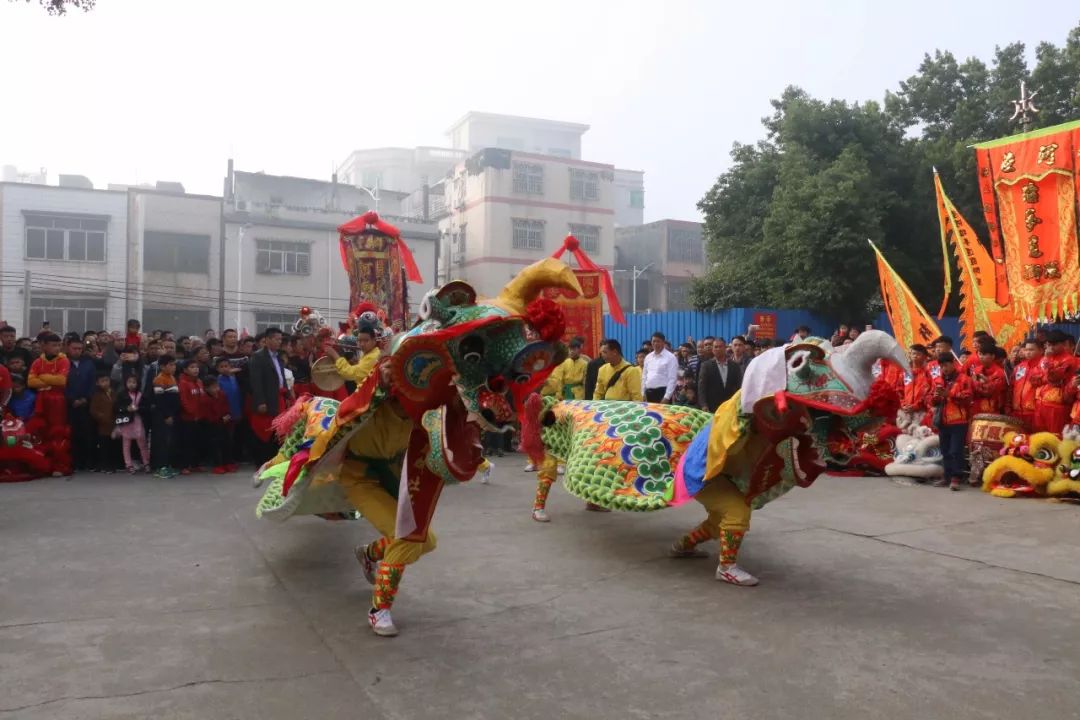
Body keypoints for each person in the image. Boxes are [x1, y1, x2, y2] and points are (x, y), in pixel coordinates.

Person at [27, 332, 71, 476]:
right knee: (42, 431)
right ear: (44, 346)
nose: (57, 348)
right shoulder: (37, 362)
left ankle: (60, 466)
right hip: (41, 399)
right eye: (53, 345)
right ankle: (44, 465)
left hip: (57, 400)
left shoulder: (64, 361)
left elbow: (61, 381)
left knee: (57, 432)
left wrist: (42, 377)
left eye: (59, 345)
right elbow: (30, 381)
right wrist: (49, 381)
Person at [929, 353, 973, 491]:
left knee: (956, 450)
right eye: (941, 366)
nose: (944, 368)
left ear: (953, 363)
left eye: (946, 365)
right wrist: (935, 397)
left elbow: (968, 399)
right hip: (943, 420)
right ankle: (947, 476)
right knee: (945, 450)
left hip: (959, 420)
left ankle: (956, 477)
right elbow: (930, 400)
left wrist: (949, 394)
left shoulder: (964, 379)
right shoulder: (938, 380)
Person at [248, 327, 289, 464]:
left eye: (280, 339)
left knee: (278, 431)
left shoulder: (278, 357)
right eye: (276, 339)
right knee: (264, 431)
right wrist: (260, 401)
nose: (279, 342)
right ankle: (261, 462)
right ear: (267, 340)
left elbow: (282, 377)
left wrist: (287, 396)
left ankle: (274, 460)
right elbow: (256, 381)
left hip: (279, 398)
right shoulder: (258, 357)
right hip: (267, 398)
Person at [1031, 330, 1074, 434]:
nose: (1050, 348)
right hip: (1040, 403)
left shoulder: (1068, 360)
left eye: (1054, 344)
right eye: (1049, 344)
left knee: (1055, 437)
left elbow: (1053, 377)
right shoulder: (1044, 359)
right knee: (1039, 436)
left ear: (1063, 344)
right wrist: (1045, 377)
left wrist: (1045, 375)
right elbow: (1033, 378)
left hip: (1056, 406)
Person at [65, 338, 97, 472]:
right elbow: (62, 384)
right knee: (72, 434)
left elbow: (93, 382)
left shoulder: (88, 363)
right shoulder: (63, 363)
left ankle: (87, 462)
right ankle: (74, 462)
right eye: (74, 348)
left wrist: (85, 399)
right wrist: (71, 400)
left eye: (79, 348)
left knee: (87, 433)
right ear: (68, 348)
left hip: (86, 404)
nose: (77, 351)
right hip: (69, 405)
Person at [150, 354, 181, 478]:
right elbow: (159, 400)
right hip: (162, 415)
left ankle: (168, 465)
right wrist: (167, 415)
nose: (173, 367)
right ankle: (159, 467)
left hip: (172, 414)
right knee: (161, 441)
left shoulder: (172, 377)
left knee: (170, 442)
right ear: (162, 366)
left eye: (174, 364)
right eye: (171, 365)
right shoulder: (159, 379)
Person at [113, 374, 149, 474]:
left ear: (138, 384)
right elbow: (116, 407)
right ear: (125, 383)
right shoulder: (121, 394)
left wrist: (139, 409)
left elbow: (146, 408)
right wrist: (126, 409)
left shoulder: (141, 395)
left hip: (137, 420)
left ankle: (146, 462)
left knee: (142, 443)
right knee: (126, 444)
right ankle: (128, 464)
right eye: (129, 382)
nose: (131, 385)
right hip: (126, 421)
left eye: (134, 382)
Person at [697, 336, 742, 413]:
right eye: (715, 347)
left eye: (720, 347)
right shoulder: (706, 366)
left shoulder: (734, 366)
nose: (718, 349)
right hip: (712, 407)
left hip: (729, 406)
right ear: (713, 349)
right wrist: (704, 405)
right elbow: (702, 387)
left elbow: (739, 387)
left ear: (725, 348)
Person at [178, 359, 206, 475]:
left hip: (199, 418)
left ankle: (195, 464)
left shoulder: (199, 382)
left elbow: (203, 399)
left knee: (198, 442)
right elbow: (184, 401)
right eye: (192, 367)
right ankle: (184, 465)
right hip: (187, 419)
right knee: (187, 443)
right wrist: (191, 413)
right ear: (185, 370)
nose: (195, 369)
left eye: (196, 367)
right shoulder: (183, 383)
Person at [898, 344, 932, 428]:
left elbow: (929, 393)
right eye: (913, 353)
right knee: (905, 436)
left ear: (925, 357)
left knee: (920, 437)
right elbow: (899, 390)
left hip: (921, 412)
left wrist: (916, 406)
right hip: (905, 412)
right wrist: (903, 404)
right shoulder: (904, 373)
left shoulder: (928, 373)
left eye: (918, 354)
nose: (915, 356)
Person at [89, 374, 117, 474]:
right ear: (97, 383)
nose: (105, 383)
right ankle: (104, 465)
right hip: (103, 425)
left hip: (114, 424)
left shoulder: (114, 393)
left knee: (113, 446)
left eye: (106, 380)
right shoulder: (96, 395)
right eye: (102, 381)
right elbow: (93, 410)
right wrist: (102, 417)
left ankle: (112, 465)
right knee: (104, 447)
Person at [1012, 339, 1043, 429]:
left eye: (1031, 350)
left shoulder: (1043, 367)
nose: (1028, 352)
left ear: (1041, 350)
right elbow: (1012, 388)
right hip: (1017, 412)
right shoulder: (1019, 367)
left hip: (1034, 413)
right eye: (1026, 350)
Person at [971, 341, 1008, 415]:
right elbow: (971, 390)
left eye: (984, 354)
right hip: (977, 411)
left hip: (993, 412)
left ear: (993, 356)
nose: (981, 356)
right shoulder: (976, 370)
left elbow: (989, 391)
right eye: (980, 354)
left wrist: (979, 382)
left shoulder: (999, 372)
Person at [641, 332, 678, 403]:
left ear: (663, 343)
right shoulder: (648, 357)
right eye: (653, 341)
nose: (655, 343)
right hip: (649, 393)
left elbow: (672, 379)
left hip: (662, 393)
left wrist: (667, 397)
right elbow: (644, 376)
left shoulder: (671, 357)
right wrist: (643, 393)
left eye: (658, 341)